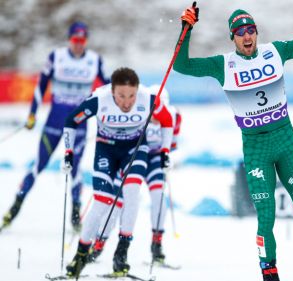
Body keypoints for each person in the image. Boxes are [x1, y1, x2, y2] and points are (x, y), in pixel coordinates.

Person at [173, 1, 293, 280]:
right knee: (266, 217)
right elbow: (181, 65)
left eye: (250, 30)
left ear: (256, 33)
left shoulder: (276, 52)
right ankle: (269, 273)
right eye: (239, 32)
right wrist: (186, 29)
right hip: (256, 148)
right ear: (232, 37)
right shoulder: (222, 65)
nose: (246, 36)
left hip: (286, 143)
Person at [63, 68, 174, 278]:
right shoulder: (99, 99)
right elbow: (71, 121)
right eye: (121, 96)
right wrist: (68, 152)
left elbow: (168, 121)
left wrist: (165, 151)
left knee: (132, 192)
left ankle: (122, 251)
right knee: (102, 203)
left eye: (131, 95)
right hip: (106, 149)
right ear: (112, 91)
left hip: (134, 148)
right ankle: (81, 254)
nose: (127, 102)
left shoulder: (149, 99)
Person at [1, 21, 109, 232]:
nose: (79, 44)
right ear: (70, 39)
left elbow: (108, 89)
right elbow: (41, 87)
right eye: (75, 40)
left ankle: (75, 217)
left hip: (79, 124)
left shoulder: (95, 60)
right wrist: (32, 114)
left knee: (76, 170)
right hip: (54, 122)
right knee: (38, 166)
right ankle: (13, 210)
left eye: (82, 40)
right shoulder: (56, 57)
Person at [86, 88, 182, 265]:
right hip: (133, 158)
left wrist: (168, 157)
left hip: (153, 160)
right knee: (116, 204)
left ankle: (156, 245)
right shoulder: (136, 110)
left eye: (158, 116)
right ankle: (99, 244)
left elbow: (172, 143)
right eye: (151, 115)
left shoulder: (174, 116)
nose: (155, 119)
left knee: (159, 197)